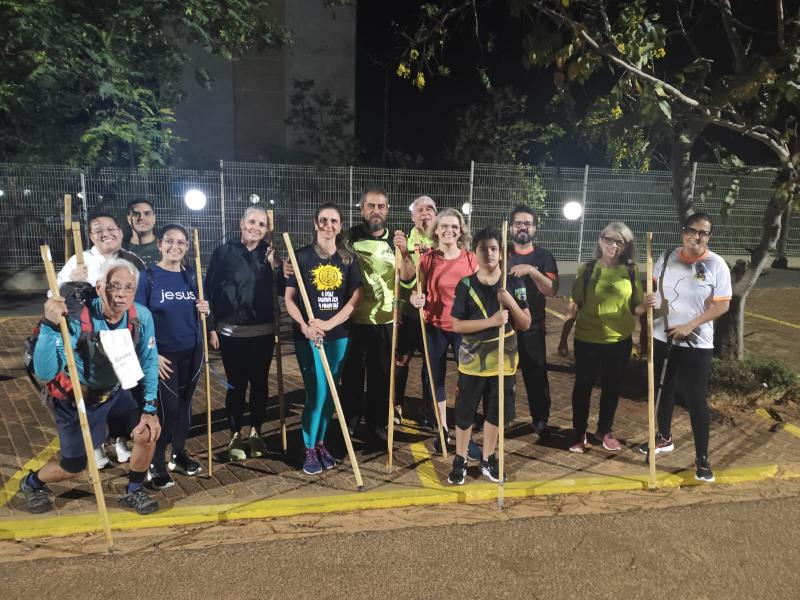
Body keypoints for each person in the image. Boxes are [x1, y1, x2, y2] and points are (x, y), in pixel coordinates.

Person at [18, 259, 161, 515]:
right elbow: (45, 372)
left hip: (114, 393)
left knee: (147, 432)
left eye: (129, 287)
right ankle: (33, 482)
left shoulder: (141, 316)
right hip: (76, 400)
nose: (120, 294)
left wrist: (150, 407)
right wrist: (50, 327)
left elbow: (149, 361)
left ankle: (134, 490)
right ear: (99, 287)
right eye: (114, 286)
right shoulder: (75, 318)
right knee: (72, 467)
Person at [638, 212, 731, 482]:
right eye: (693, 231)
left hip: (696, 342)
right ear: (683, 232)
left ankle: (702, 459)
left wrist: (690, 325)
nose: (697, 237)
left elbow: (723, 305)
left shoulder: (716, 265)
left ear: (708, 237)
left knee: (695, 398)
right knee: (663, 390)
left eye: (703, 233)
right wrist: (651, 300)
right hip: (663, 335)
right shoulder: (667, 258)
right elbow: (656, 291)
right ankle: (664, 438)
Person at [57, 212, 145, 468]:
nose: (106, 233)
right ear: (91, 236)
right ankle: (95, 446)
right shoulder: (80, 260)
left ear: (120, 230)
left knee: (124, 391)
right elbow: (55, 294)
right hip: (90, 341)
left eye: (111, 228)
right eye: (98, 230)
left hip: (122, 337)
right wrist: (72, 280)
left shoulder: (128, 259)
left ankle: (119, 441)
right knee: (95, 395)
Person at [447, 228, 531, 485]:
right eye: (483, 248)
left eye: (494, 248)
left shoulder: (513, 284)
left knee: (496, 415)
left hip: (504, 365)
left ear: (501, 252)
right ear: (476, 252)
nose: (489, 253)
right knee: (464, 415)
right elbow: (457, 326)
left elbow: (525, 323)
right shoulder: (466, 285)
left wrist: (510, 302)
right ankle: (460, 459)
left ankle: (488, 458)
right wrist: (491, 321)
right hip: (472, 364)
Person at [284, 203, 363, 474]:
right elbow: (289, 299)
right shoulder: (301, 257)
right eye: (323, 221)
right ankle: (307, 447)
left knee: (331, 393)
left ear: (340, 226)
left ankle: (320, 443)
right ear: (315, 224)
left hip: (338, 335)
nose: (328, 226)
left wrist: (329, 323)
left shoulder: (348, 259)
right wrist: (305, 326)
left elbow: (354, 300)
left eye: (334, 221)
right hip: (308, 336)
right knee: (316, 392)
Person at [558, 222, 649, 454]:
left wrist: (646, 305)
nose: (613, 245)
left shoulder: (630, 271)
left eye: (619, 241)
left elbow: (635, 309)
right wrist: (563, 338)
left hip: (618, 341)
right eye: (609, 239)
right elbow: (575, 304)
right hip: (587, 339)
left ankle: (604, 430)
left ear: (626, 246)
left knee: (612, 388)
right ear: (600, 240)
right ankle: (579, 432)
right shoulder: (587, 269)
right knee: (583, 387)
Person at [135, 224, 208, 488]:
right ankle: (156, 462)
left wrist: (205, 308)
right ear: (159, 244)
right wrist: (152, 355)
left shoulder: (192, 275)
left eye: (181, 243)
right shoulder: (149, 277)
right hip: (164, 356)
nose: (175, 246)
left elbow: (201, 307)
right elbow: (139, 321)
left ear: (187, 247)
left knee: (186, 407)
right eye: (169, 241)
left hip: (193, 351)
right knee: (169, 410)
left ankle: (179, 454)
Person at [340, 187, 415, 444]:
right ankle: (349, 423)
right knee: (351, 376)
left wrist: (404, 252)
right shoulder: (348, 238)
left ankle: (377, 424)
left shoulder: (394, 242)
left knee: (381, 377)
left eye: (381, 206)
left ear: (387, 211)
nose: (376, 211)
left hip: (385, 320)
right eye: (370, 206)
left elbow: (408, 277)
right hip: (353, 319)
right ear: (361, 209)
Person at [205, 205, 280, 461]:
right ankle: (235, 434)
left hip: (263, 331)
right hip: (231, 333)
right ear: (241, 223)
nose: (256, 228)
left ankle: (256, 431)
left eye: (261, 224)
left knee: (260, 384)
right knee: (236, 385)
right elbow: (210, 289)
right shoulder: (223, 253)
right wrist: (211, 326)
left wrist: (276, 266)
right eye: (252, 222)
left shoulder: (269, 254)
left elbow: (282, 288)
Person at [410, 208, 478, 454]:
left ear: (461, 232)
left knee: (468, 380)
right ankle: (442, 429)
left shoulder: (471, 259)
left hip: (464, 329)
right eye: (445, 226)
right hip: (435, 327)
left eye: (455, 227)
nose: (449, 230)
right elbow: (416, 291)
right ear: (436, 229)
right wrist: (416, 299)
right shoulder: (427, 258)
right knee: (435, 378)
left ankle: (463, 431)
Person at [507, 205, 559, 435]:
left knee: (535, 374)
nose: (523, 227)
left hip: (533, 327)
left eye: (527, 223)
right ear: (510, 227)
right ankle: (502, 416)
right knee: (503, 374)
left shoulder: (544, 257)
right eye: (518, 223)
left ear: (534, 228)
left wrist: (530, 270)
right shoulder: (500, 252)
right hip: (504, 324)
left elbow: (551, 290)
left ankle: (540, 417)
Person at [394, 195, 437, 426]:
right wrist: (398, 310)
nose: (425, 212)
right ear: (412, 216)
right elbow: (398, 280)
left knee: (431, 364)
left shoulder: (445, 239)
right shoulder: (405, 242)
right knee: (401, 359)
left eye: (430, 208)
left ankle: (428, 408)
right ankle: (397, 404)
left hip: (435, 312)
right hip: (410, 312)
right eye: (419, 209)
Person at [125, 199, 160, 268]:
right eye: (136, 214)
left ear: (154, 218)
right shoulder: (120, 250)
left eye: (147, 213)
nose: (141, 218)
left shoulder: (167, 247)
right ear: (129, 219)